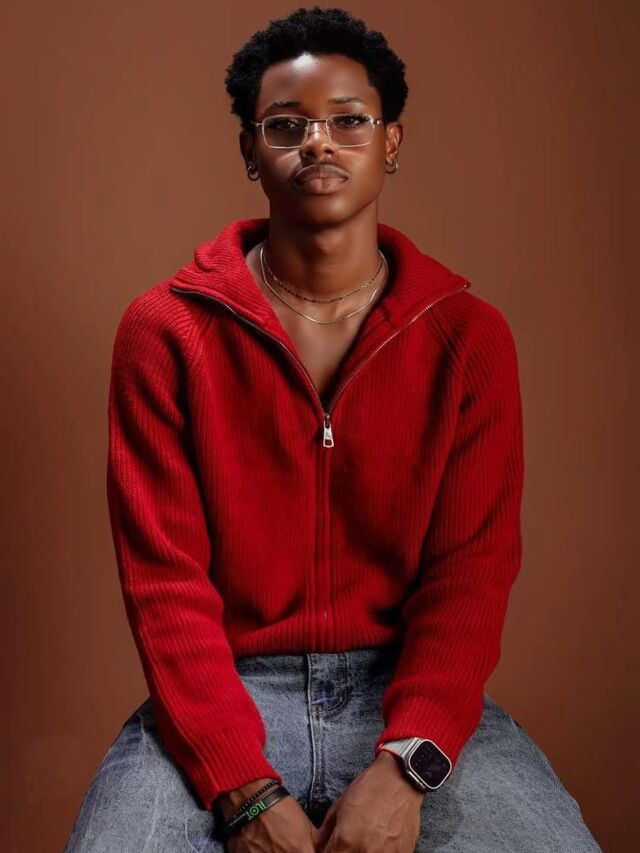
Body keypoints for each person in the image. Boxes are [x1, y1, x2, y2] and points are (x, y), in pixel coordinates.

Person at [63, 6, 602, 852]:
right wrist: (242, 788)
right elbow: (164, 583)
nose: (318, 142)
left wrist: (409, 764)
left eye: (349, 121)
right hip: (226, 697)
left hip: (404, 701)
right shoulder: (164, 333)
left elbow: (471, 573)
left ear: (391, 142)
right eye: (287, 125)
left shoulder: (468, 339)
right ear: (250, 150)